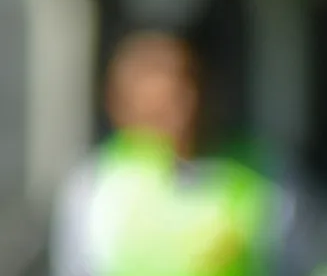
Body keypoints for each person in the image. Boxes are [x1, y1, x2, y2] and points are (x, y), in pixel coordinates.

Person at [54, 31, 298, 276]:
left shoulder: (263, 175)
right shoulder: (96, 183)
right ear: (119, 103)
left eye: (188, 86)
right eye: (163, 104)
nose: (185, 107)